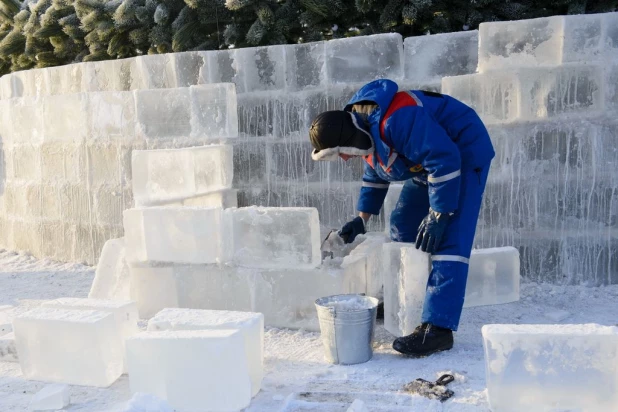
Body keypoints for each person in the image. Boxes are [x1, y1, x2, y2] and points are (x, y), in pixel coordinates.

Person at [308, 79, 495, 357]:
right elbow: (376, 172)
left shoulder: (398, 120)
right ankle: (409, 297)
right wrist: (362, 218)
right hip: (428, 164)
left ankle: (438, 328)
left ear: (350, 139)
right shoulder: (366, 130)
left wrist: (439, 214)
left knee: (450, 238)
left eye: (341, 152)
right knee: (403, 223)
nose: (345, 159)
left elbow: (445, 159)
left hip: (462, 153)